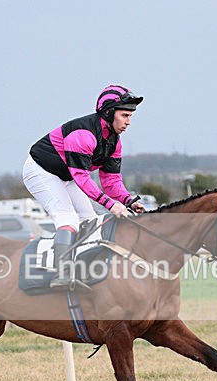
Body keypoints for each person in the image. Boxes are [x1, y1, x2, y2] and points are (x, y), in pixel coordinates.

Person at [23, 84, 146, 290]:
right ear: (108, 112)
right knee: (68, 219)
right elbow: (81, 177)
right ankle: (61, 274)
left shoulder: (114, 141)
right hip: (41, 172)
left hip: (66, 176)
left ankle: (81, 270)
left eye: (130, 116)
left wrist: (128, 200)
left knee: (90, 221)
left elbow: (111, 181)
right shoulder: (83, 134)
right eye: (125, 115)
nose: (128, 122)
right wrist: (111, 205)